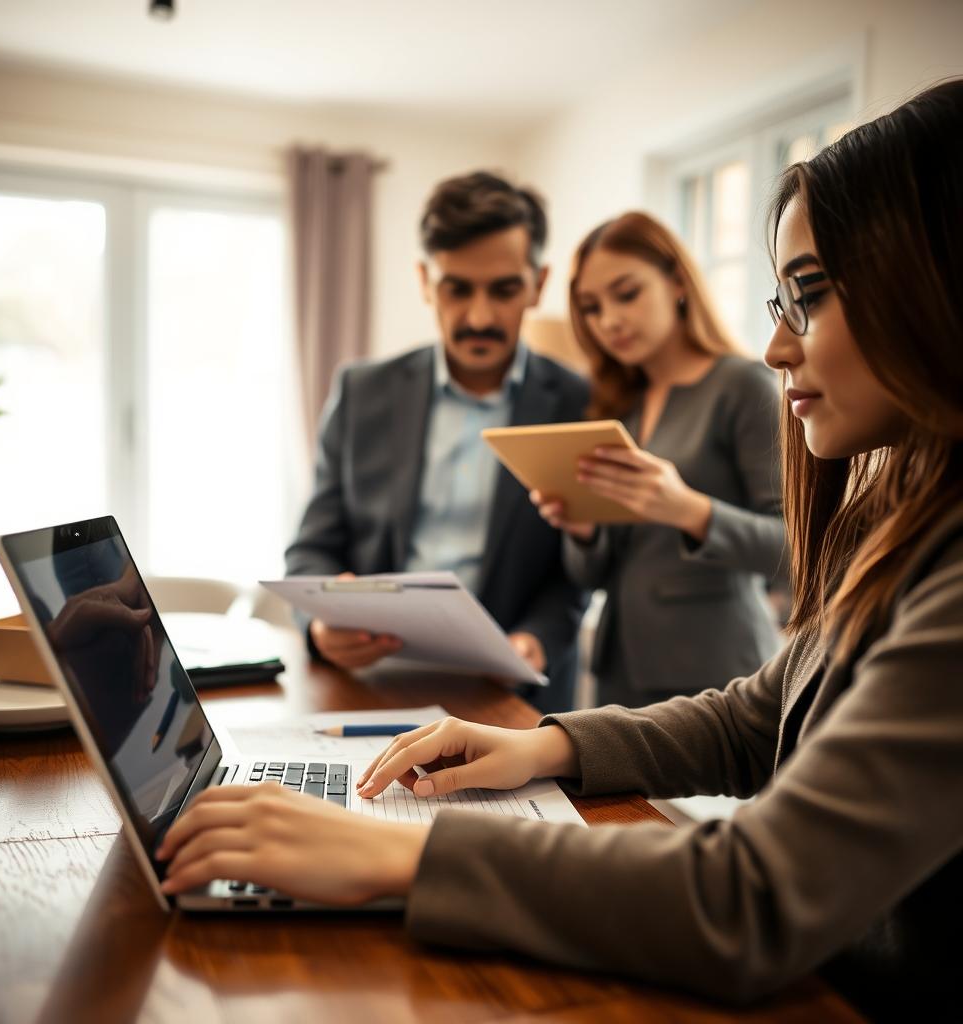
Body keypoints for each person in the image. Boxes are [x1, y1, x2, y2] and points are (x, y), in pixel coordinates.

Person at [157, 80, 963, 1020]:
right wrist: (543, 744)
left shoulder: (647, 402)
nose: (780, 346)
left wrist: (393, 850)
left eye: (809, 299)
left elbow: (754, 893)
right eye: (779, 299)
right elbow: (758, 716)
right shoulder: (895, 508)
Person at [284, 171, 590, 713]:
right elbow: (312, 546)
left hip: (510, 698)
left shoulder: (577, 402)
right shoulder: (362, 392)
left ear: (538, 284)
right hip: (369, 684)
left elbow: (576, 570)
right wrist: (320, 625)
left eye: (504, 290)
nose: (479, 317)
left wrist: (537, 642)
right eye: (457, 289)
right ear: (426, 281)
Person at [531, 211, 786, 706]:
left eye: (627, 294)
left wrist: (689, 510)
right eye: (591, 307)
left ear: (677, 282)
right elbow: (593, 577)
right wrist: (581, 529)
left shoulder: (743, 386)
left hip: (716, 675)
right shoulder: (616, 406)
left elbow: (796, 549)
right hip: (617, 673)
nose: (609, 321)